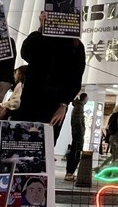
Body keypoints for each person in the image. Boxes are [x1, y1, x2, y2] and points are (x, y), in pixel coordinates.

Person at [11, 11, 85, 145]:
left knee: (45, 146)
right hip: (30, 101)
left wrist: (63, 105)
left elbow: (75, 79)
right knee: (22, 142)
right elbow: (25, 54)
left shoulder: (76, 46)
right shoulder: (40, 37)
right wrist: (42, 28)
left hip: (54, 106)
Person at [97, 98, 118, 171]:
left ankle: (113, 174)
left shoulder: (115, 111)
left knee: (115, 157)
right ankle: (105, 170)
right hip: (117, 138)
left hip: (112, 137)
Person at [65, 92, 88, 180]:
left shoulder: (78, 106)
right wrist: (81, 132)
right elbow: (78, 122)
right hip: (78, 134)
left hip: (76, 133)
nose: (87, 100)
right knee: (76, 153)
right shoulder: (79, 107)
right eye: (87, 98)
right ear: (84, 98)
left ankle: (70, 172)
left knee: (74, 152)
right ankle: (70, 173)